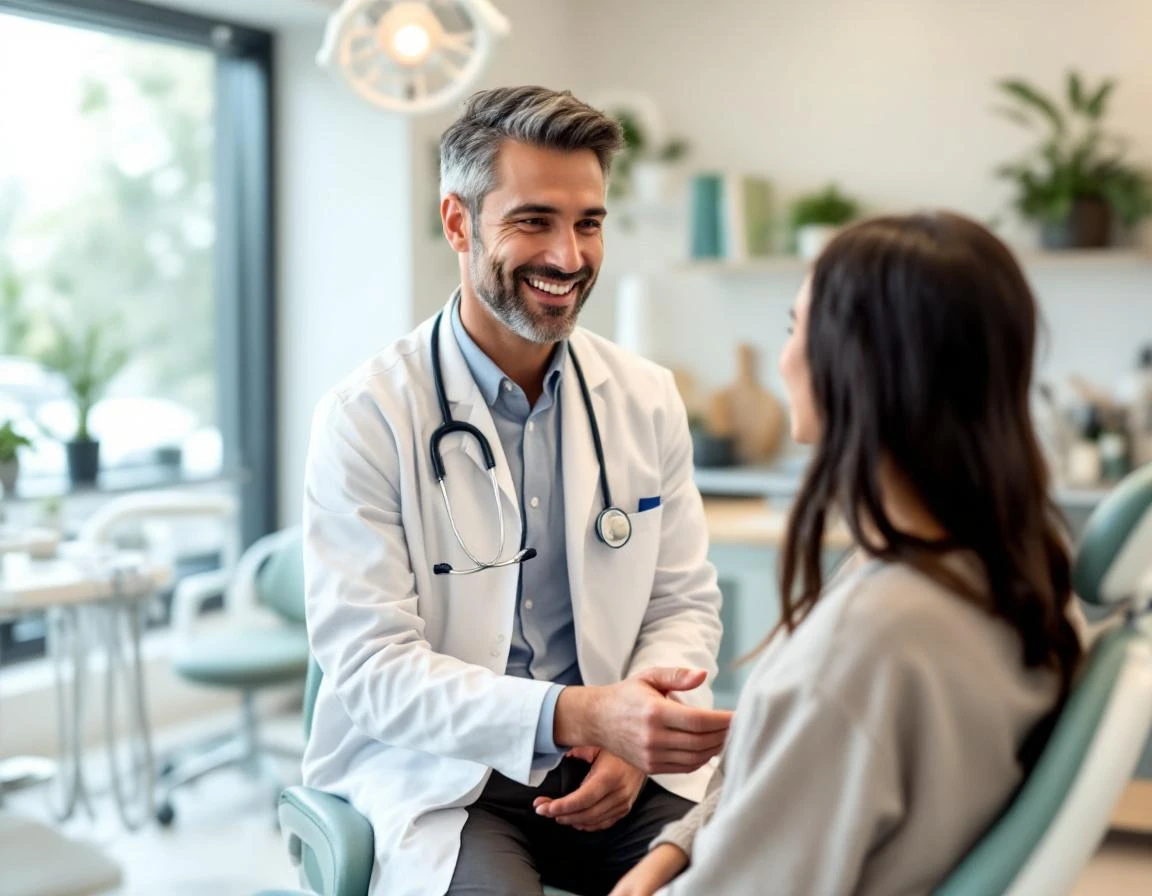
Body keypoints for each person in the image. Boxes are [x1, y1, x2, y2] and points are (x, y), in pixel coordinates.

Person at [301, 85, 730, 896]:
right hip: (447, 775)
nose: (568, 257)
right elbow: (370, 667)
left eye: (589, 223)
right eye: (533, 221)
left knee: (751, 867)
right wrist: (581, 716)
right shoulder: (366, 417)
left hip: (616, 768)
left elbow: (682, 605)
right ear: (459, 222)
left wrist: (631, 727)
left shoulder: (645, 397)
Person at [610, 212, 1084, 895]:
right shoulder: (1007, 563)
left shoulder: (867, 646)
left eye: (793, 328)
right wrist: (667, 854)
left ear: (855, 364)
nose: (783, 357)